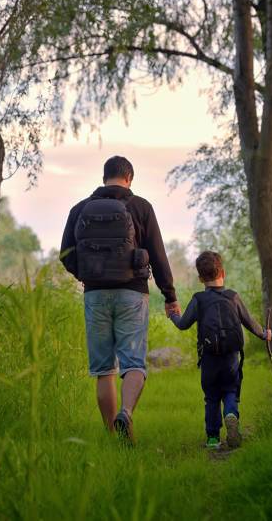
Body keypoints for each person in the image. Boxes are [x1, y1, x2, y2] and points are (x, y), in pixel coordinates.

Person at [60, 155, 179, 444]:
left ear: (104, 178)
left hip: (95, 294)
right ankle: (125, 412)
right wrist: (170, 296)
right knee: (134, 364)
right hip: (132, 293)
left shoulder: (80, 209)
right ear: (129, 179)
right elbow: (159, 256)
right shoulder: (141, 207)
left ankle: (113, 436)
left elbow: (66, 253)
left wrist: (86, 275)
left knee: (104, 370)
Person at [166, 250, 272, 449]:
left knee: (212, 397)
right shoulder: (233, 297)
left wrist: (173, 315)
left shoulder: (198, 299)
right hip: (231, 357)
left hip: (209, 358)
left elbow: (183, 324)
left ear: (200, 278)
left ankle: (213, 438)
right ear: (223, 273)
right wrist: (265, 334)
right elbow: (250, 323)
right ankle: (231, 416)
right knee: (230, 390)